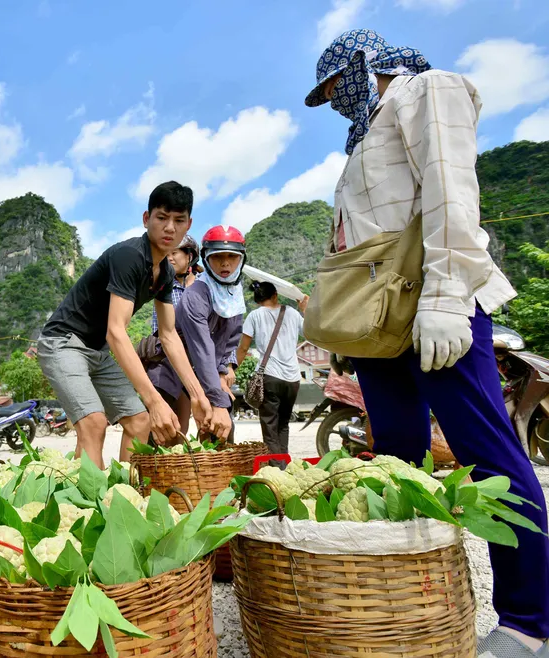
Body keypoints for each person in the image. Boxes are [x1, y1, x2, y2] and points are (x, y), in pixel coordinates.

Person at [306, 29, 549, 656]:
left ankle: (530, 621)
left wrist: (446, 302)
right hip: (379, 325)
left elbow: (451, 195)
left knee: (489, 456)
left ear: (360, 66)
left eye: (335, 84)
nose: (333, 100)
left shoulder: (425, 91)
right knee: (397, 462)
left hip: (433, 307)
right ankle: (409, 601)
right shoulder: (362, 133)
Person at [37, 181, 221, 468]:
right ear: (147, 219)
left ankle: (126, 495)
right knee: (93, 424)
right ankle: (88, 506)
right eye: (162, 218)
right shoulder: (130, 257)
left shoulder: (166, 273)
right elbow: (116, 332)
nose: (170, 228)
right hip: (62, 343)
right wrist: (156, 401)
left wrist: (198, 395)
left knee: (139, 422)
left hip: (96, 352)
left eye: (178, 220)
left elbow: (169, 335)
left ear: (188, 225)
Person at [147, 226, 246, 439]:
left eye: (232, 257)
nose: (225, 263)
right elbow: (202, 347)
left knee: (220, 430)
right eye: (217, 257)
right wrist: (216, 397)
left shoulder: (234, 294)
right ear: (206, 260)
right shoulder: (195, 295)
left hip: (208, 370)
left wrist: (224, 370)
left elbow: (231, 339)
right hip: (172, 367)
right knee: (167, 433)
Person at [235, 282, 307, 460]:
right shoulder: (292, 312)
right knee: (283, 423)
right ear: (275, 295)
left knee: (269, 424)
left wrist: (232, 371)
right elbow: (310, 333)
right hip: (293, 379)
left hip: (270, 376)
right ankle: (284, 462)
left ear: (257, 298)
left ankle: (277, 466)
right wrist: (305, 310)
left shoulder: (254, 316)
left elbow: (243, 349)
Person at [147, 234, 201, 432]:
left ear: (189, 256)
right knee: (172, 426)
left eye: (175, 253)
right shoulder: (163, 285)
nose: (169, 257)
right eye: (166, 254)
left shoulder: (205, 286)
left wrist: (227, 365)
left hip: (200, 360)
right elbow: (159, 331)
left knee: (210, 426)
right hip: (168, 360)